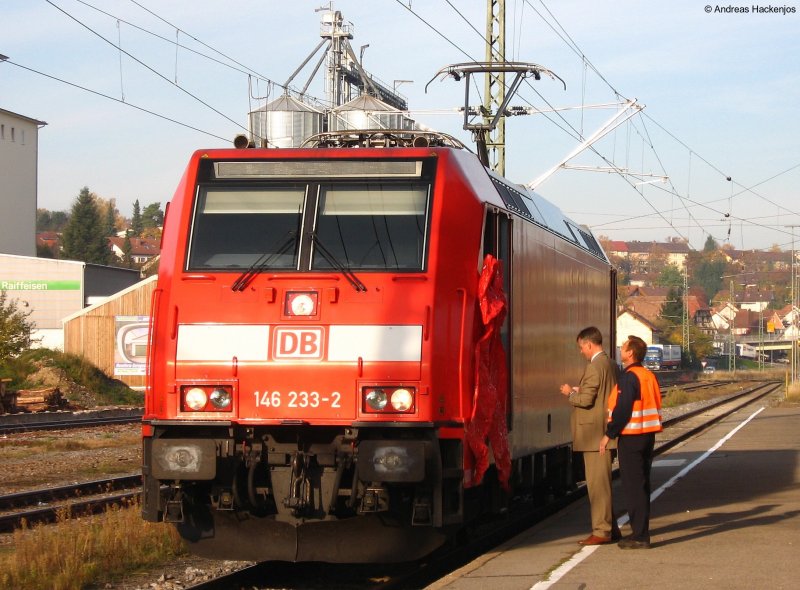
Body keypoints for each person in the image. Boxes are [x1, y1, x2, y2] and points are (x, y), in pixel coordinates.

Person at [600, 335, 663, 550]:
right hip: (648, 435)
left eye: (624, 347)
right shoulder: (647, 375)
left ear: (630, 353)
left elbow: (623, 408)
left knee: (633, 486)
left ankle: (639, 536)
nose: (621, 349)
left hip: (632, 437)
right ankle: (641, 531)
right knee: (642, 484)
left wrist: (609, 433)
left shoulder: (629, 377)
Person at [560, 326, 619, 545]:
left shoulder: (595, 367)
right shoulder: (611, 364)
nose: (581, 352)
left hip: (594, 435)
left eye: (581, 347)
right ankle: (611, 527)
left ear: (589, 344)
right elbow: (602, 393)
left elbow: (586, 400)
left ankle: (602, 531)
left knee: (597, 486)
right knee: (602, 484)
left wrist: (571, 393)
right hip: (603, 431)